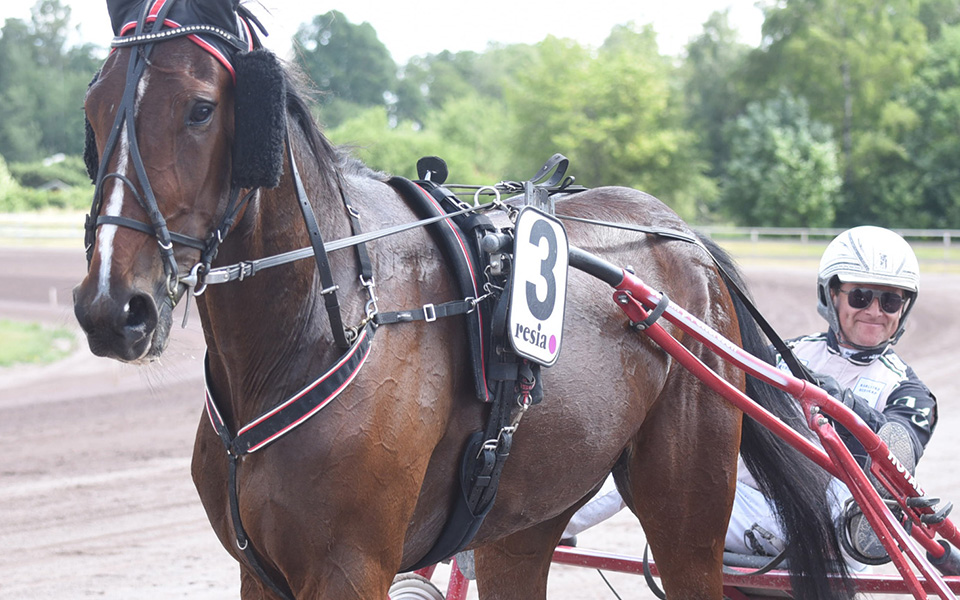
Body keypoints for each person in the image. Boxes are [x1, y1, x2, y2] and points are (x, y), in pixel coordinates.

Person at [564, 226, 938, 566]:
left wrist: (837, 400)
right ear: (833, 295)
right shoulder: (785, 354)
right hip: (741, 504)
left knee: (867, 482)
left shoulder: (910, 392)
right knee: (656, 444)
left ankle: (863, 530)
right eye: (861, 296)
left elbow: (897, 450)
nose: (875, 311)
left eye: (890, 301)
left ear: (904, 308)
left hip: (825, 526)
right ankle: (557, 520)